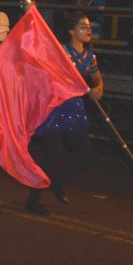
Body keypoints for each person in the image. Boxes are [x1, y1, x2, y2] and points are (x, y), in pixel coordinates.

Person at [25, 12, 103, 216]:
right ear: (71, 31)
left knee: (84, 155)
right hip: (56, 106)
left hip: (74, 109)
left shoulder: (90, 56)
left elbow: (97, 79)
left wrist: (98, 89)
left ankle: (57, 182)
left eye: (89, 26)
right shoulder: (61, 51)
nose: (88, 30)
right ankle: (33, 200)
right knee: (53, 154)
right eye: (83, 27)